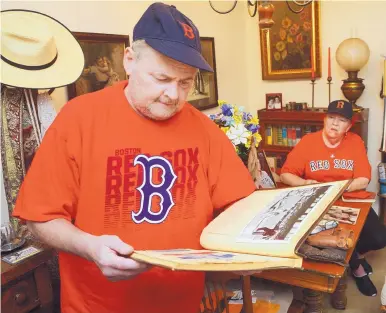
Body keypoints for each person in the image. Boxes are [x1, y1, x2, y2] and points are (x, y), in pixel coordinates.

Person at [12, 3, 256, 313]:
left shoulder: (202, 128)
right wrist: (90, 247)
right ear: (129, 60)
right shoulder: (79, 118)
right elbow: (39, 217)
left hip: (182, 304)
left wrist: (250, 246)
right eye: (161, 78)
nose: (174, 95)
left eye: (186, 82)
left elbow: (239, 206)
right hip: (97, 305)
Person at [280, 100, 386, 297]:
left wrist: (337, 189)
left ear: (349, 125)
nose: (335, 124)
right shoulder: (308, 142)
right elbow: (286, 174)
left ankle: (356, 257)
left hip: (351, 200)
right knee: (332, 237)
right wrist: (305, 184)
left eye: (342, 120)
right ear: (324, 118)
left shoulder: (355, 142)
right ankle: (358, 269)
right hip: (317, 202)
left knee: (380, 237)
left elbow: (363, 179)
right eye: (331, 117)